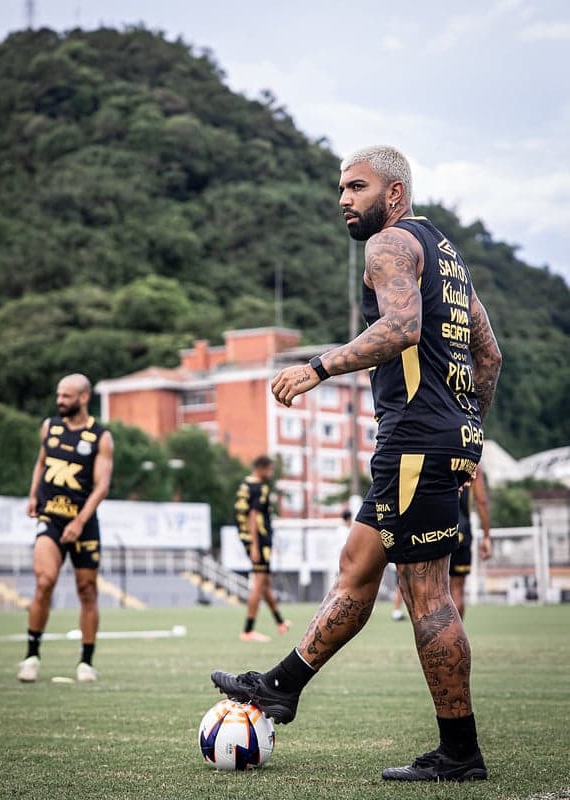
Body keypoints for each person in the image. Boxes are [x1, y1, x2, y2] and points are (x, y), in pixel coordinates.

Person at [212, 145, 502, 782]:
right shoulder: (447, 256)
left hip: (415, 441)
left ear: (393, 193)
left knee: (428, 597)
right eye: (341, 189)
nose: (344, 199)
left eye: (357, 187)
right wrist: (468, 430)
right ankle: (281, 687)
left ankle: (460, 754)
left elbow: (400, 329)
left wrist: (316, 366)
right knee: (357, 567)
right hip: (439, 439)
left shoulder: (389, 244)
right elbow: (489, 356)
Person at [18, 373, 114, 683]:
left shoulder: (100, 437)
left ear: (83, 398)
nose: (59, 401)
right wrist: (33, 494)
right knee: (44, 581)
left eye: (66, 396)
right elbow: (41, 462)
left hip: (83, 522)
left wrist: (79, 522)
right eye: (58, 395)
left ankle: (86, 662)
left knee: (87, 590)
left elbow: (101, 487)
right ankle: (31, 656)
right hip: (51, 518)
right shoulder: (49, 427)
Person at [234, 455, 290, 642]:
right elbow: (253, 515)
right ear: (262, 468)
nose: (271, 473)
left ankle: (280, 622)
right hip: (259, 540)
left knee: (265, 582)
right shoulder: (260, 487)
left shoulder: (245, 484)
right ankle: (248, 630)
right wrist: (256, 546)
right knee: (259, 583)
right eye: (270, 469)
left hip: (248, 537)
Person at [450, 465, 492, 618]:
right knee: (457, 589)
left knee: (432, 590)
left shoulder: (436, 455)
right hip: (461, 531)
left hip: (435, 529)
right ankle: (454, 632)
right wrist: (487, 536)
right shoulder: (472, 462)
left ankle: (436, 632)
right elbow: (481, 501)